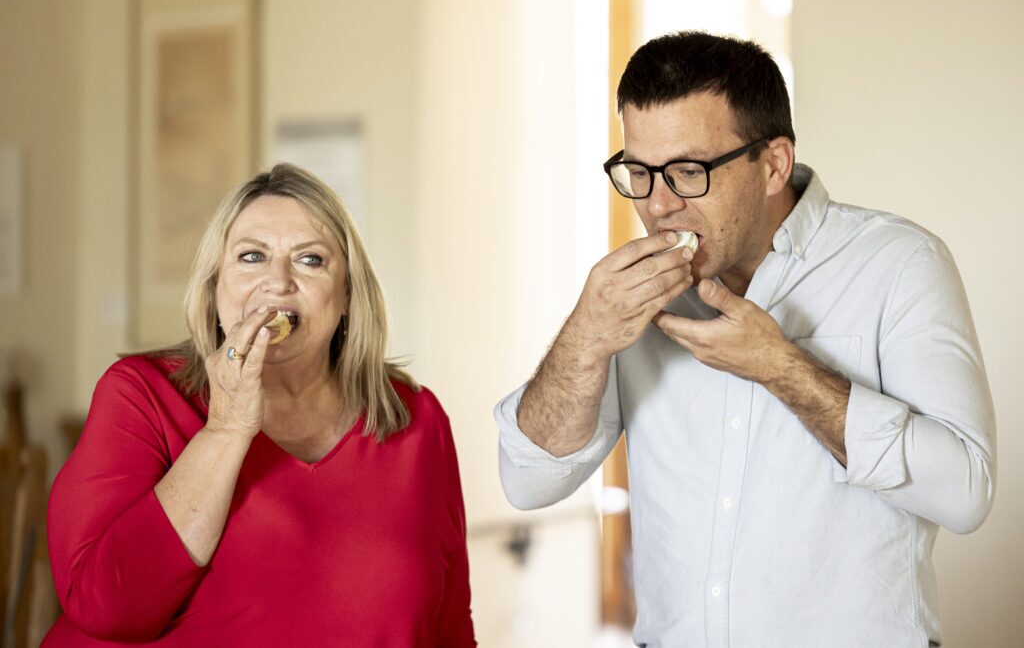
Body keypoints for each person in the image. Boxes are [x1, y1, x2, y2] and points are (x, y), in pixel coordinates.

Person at [494, 31, 995, 647]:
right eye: (639, 173)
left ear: (774, 164)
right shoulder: (630, 300)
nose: (658, 206)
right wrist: (586, 335)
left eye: (687, 171)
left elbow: (967, 491)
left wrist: (781, 366)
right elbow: (529, 480)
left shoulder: (900, 264)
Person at [45, 164, 476, 646]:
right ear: (214, 288)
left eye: (310, 260)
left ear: (348, 296)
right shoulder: (140, 395)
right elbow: (106, 608)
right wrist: (226, 428)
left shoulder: (415, 418)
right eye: (252, 256)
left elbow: (450, 628)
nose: (278, 282)